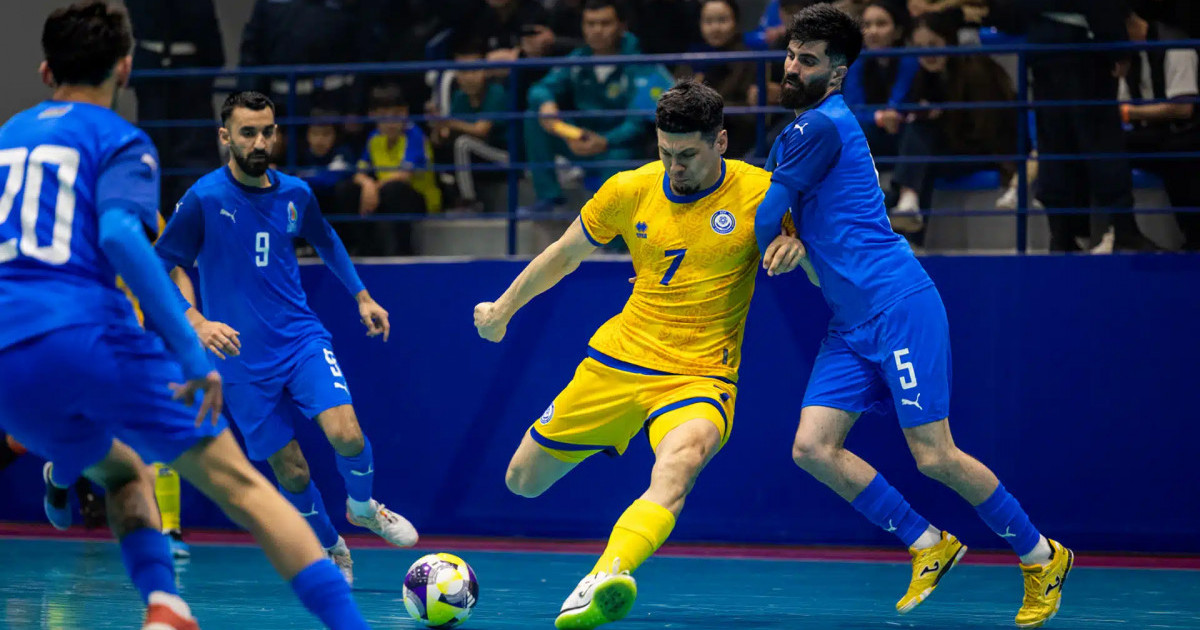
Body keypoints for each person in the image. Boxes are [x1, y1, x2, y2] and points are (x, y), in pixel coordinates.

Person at [0, 3, 368, 629]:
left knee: (123, 471)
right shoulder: (119, 140)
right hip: (87, 334)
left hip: (8, 352)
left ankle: (163, 604)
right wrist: (192, 351)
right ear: (126, 67)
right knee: (244, 488)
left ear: (44, 71)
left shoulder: (9, 136)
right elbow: (122, 236)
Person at [754, 6, 1072, 628]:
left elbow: (765, 216)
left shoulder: (820, 125)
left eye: (807, 60)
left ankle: (1042, 556)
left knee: (935, 455)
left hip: (896, 305)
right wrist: (793, 237)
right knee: (813, 447)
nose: (791, 67)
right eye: (791, 54)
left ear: (838, 72)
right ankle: (929, 543)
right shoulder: (800, 131)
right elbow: (780, 208)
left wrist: (774, 241)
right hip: (849, 325)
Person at [474, 80, 806, 630]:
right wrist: (502, 310)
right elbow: (563, 255)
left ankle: (603, 577)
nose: (675, 166)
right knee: (522, 480)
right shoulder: (629, 189)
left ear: (721, 142)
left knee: (681, 464)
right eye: (665, 151)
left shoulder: (762, 193)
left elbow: (825, 247)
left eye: (688, 154)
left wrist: (798, 243)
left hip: (699, 375)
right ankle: (611, 438)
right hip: (618, 361)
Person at [155, 91, 420, 586]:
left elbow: (327, 239)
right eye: (248, 132)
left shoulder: (296, 193)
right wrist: (197, 321)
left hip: (300, 339)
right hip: (239, 360)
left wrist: (362, 296)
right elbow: (158, 265)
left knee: (347, 434)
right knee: (292, 471)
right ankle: (331, 548)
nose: (259, 142)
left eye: (267, 131)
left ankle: (363, 508)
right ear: (225, 136)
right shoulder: (204, 198)